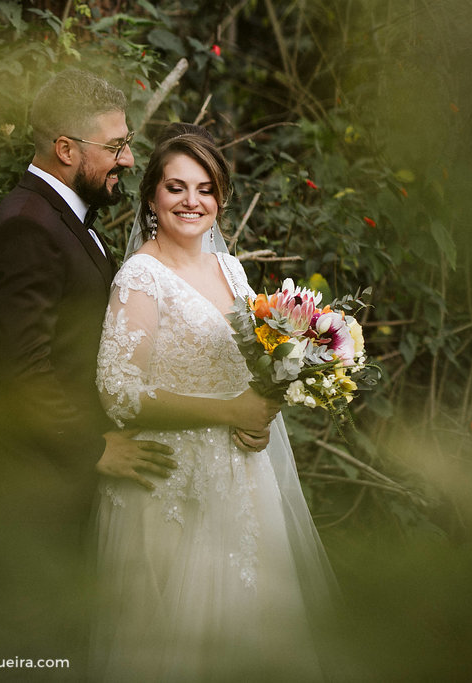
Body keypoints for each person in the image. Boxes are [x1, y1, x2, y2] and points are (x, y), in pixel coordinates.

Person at [91, 123, 339, 681]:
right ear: (152, 196)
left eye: (204, 188)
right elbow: (119, 392)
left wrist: (265, 407)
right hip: (173, 479)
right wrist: (231, 412)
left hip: (242, 476)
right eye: (176, 187)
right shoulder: (140, 277)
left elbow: (255, 362)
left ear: (221, 198)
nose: (191, 201)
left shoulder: (230, 268)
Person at [0, 69, 176, 664]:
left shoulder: (59, 218)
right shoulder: (27, 229)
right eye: (114, 146)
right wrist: (94, 449)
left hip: (58, 487)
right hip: (27, 492)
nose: (129, 159)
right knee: (26, 655)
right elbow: (22, 374)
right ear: (65, 149)